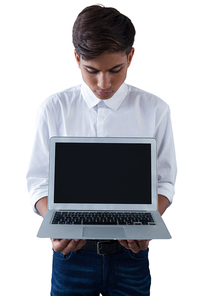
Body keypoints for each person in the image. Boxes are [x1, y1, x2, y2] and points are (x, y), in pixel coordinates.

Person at [26, 5, 177, 296]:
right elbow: (37, 183)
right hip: (72, 255)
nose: (103, 83)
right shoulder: (54, 109)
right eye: (92, 71)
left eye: (115, 70)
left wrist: (144, 227)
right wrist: (57, 226)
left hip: (130, 254)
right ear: (77, 58)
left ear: (130, 56)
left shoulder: (155, 110)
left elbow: (165, 182)